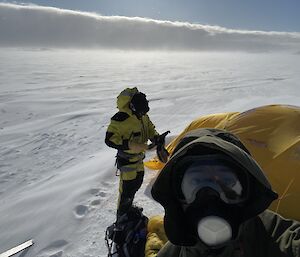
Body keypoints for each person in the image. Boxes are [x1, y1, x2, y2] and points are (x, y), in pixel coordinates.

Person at [150, 128, 300, 257]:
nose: (210, 196)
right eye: (195, 183)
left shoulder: (277, 237)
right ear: (176, 196)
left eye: (226, 183)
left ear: (248, 192)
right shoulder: (172, 253)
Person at [105, 87, 160, 218]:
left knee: (137, 183)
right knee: (126, 190)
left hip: (139, 159)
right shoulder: (120, 120)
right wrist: (129, 145)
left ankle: (129, 207)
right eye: (141, 113)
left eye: (144, 113)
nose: (143, 115)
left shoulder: (143, 116)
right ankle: (122, 216)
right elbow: (109, 139)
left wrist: (156, 138)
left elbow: (150, 129)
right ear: (133, 108)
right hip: (127, 161)